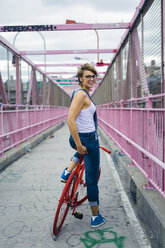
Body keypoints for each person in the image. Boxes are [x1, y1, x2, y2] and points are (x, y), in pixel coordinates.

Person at [60, 63, 106, 228]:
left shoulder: (77, 93)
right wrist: (79, 145)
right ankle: (95, 218)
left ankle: (67, 172)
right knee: (92, 181)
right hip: (87, 140)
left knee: (81, 154)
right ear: (80, 78)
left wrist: (78, 143)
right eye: (88, 76)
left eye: (93, 76)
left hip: (78, 138)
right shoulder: (81, 95)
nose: (92, 79)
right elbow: (70, 119)